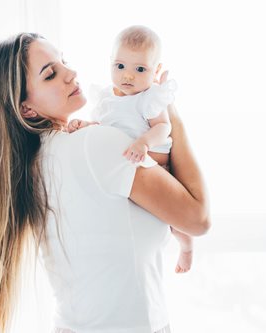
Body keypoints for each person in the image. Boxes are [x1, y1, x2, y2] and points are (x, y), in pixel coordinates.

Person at [0, 32, 210, 333]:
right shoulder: (96, 144)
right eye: (51, 74)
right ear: (25, 108)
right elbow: (198, 218)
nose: (71, 74)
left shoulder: (35, 165)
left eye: (63, 62)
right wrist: (164, 107)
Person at [68, 25, 194, 274]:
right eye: (120, 66)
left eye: (140, 69)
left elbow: (163, 128)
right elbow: (105, 129)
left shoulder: (148, 98)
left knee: (175, 220)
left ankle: (187, 247)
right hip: (130, 172)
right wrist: (86, 125)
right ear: (110, 63)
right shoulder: (106, 99)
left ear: (155, 71)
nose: (128, 76)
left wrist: (144, 142)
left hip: (159, 167)